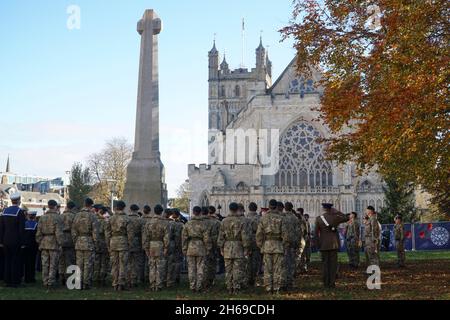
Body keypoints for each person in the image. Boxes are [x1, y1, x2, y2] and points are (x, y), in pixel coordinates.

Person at [256, 199, 289, 294]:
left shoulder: (263, 218)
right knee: (277, 268)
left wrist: (261, 246)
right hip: (278, 246)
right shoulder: (281, 218)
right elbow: (285, 235)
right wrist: (284, 245)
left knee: (267, 268)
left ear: (269, 206)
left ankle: (268, 288)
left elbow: (259, 234)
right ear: (276, 206)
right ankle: (276, 287)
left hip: (267, 245)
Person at [217, 202, 252, 294]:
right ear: (237, 209)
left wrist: (221, 247)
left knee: (228, 269)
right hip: (238, 246)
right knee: (238, 268)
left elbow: (221, 236)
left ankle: (229, 287)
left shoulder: (224, 221)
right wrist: (246, 248)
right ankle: (236, 287)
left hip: (227, 246)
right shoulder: (242, 221)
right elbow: (245, 236)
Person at [314, 203, 349, 288]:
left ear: (324, 209)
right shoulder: (335, 217)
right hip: (333, 244)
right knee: (333, 265)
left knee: (325, 264)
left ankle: (326, 282)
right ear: (331, 209)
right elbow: (346, 218)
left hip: (323, 244)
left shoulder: (319, 219)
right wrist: (337, 212)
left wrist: (318, 244)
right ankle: (332, 283)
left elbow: (316, 233)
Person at [182, 206, 212, 292]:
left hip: (190, 247)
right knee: (200, 268)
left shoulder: (187, 224)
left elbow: (184, 238)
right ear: (200, 212)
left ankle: (192, 286)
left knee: (191, 268)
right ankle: (199, 286)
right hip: (200, 247)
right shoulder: (204, 224)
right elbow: (206, 238)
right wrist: (208, 248)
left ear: (193, 212)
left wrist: (184, 248)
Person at [72, 198, 100, 290]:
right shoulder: (92, 216)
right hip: (89, 242)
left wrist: (75, 240)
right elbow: (95, 232)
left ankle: (78, 283)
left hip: (79, 241)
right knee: (88, 264)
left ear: (84, 204)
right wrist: (96, 243)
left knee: (79, 263)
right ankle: (86, 283)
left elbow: (74, 230)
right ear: (91, 205)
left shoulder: (77, 215)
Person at [36, 200, 64, 289]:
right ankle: (51, 282)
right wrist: (60, 243)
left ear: (48, 206)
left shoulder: (42, 217)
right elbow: (58, 232)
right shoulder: (58, 217)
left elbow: (38, 232)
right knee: (53, 264)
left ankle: (45, 281)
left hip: (44, 242)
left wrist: (39, 241)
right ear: (55, 206)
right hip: (53, 242)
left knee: (45, 263)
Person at [0, 192, 26, 288]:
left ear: (11, 201)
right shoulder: (20, 212)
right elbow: (21, 229)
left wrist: (1, 241)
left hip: (6, 240)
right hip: (16, 241)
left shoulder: (4, 211)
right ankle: (15, 281)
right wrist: (23, 242)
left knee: (7, 260)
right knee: (15, 260)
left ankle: (7, 280)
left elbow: (1, 227)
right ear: (18, 200)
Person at [142, 204, 170, 291]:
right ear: (161, 212)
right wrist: (166, 248)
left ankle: (152, 284)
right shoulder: (165, 222)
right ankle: (158, 285)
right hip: (160, 245)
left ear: (154, 211)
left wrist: (146, 248)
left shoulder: (149, 222)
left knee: (152, 266)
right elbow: (167, 237)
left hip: (151, 245)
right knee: (160, 266)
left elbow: (145, 236)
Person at [105, 200, 131, 291]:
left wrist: (108, 243)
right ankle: (121, 283)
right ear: (124, 207)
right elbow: (130, 234)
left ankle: (114, 283)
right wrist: (130, 243)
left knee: (114, 264)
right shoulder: (127, 218)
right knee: (123, 264)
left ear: (116, 207)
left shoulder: (111, 218)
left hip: (113, 241)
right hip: (123, 242)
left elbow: (107, 232)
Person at [59, 201, 77, 285]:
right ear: (73, 208)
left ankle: (61, 276)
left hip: (62, 237)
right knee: (70, 259)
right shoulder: (74, 216)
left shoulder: (61, 216)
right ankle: (69, 278)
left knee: (62, 259)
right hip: (70, 238)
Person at [283, 202, 300, 290]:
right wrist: (297, 245)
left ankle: (283, 282)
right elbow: (298, 233)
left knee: (283, 263)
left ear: (285, 208)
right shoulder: (295, 219)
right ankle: (290, 282)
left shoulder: (282, 217)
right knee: (291, 264)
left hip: (283, 244)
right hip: (292, 244)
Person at [128, 204, 144, 288]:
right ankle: (134, 280)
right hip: (137, 242)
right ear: (137, 210)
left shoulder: (126, 218)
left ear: (130, 209)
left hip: (126, 242)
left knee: (127, 262)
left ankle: (127, 279)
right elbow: (143, 233)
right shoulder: (140, 220)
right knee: (136, 262)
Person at [245, 202, 261, 287]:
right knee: (255, 261)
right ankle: (253, 279)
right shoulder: (259, 218)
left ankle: (247, 278)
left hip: (247, 239)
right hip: (256, 240)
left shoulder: (245, 218)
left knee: (247, 260)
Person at [205, 206, 221, 288]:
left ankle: (205, 279)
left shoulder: (203, 221)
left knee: (205, 262)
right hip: (213, 244)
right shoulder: (217, 222)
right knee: (212, 262)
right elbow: (220, 234)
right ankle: (211, 279)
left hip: (204, 244)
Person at [93, 206, 109, 286]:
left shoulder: (94, 220)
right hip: (104, 242)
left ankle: (96, 277)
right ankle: (102, 278)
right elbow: (107, 234)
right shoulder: (105, 221)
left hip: (96, 242)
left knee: (96, 261)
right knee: (104, 262)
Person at [22, 211, 39, 283]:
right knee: (32, 262)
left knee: (26, 262)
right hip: (33, 246)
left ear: (28, 216)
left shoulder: (24, 224)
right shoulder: (36, 224)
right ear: (35, 216)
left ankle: (26, 278)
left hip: (25, 245)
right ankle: (31, 278)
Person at [170, 209, 184, 285]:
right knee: (178, 262)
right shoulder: (181, 224)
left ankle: (172, 278)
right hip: (178, 244)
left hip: (172, 244)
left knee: (172, 262)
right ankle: (176, 277)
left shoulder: (171, 223)